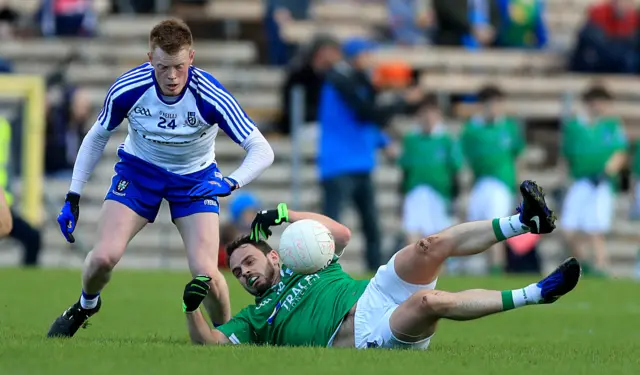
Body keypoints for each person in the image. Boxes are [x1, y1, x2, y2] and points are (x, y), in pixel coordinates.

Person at [47, 19, 275, 338]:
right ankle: (86, 304)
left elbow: (262, 150)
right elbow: (97, 136)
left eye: (179, 67)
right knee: (101, 258)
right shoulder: (129, 88)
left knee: (206, 273)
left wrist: (230, 182)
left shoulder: (210, 94)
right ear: (150, 59)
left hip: (194, 180)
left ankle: (227, 335)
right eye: (163, 66)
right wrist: (73, 195)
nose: (171, 76)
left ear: (191, 59)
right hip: (139, 173)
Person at [181, 180, 581, 348]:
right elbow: (210, 343)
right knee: (430, 303)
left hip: (377, 291)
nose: (245, 273)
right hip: (365, 335)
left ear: (273, 254)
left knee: (429, 245)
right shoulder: (255, 318)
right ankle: (538, 293)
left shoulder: (304, 260)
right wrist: (191, 308)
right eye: (237, 272)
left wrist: (285, 214)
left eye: (247, 261)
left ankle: (524, 222)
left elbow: (340, 235)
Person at [560, 85, 628, 277]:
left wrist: (606, 172)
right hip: (580, 181)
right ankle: (584, 264)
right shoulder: (574, 127)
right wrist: (563, 180)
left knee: (595, 228)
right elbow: (566, 157)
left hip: (601, 183)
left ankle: (601, 265)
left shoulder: (612, 125)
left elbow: (620, 153)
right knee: (568, 228)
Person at [460, 85, 526, 275]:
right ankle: (482, 268)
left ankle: (497, 267)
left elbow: (517, 159)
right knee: (476, 228)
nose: (493, 107)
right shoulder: (472, 130)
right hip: (481, 184)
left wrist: (520, 187)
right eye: (489, 103)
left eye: (497, 103)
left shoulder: (509, 127)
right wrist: (466, 190)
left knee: (495, 225)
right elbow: (466, 162)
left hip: (502, 184)